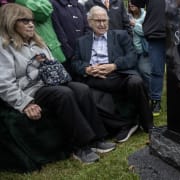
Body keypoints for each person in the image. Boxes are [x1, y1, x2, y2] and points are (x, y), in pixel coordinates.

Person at [0, 3, 116, 164]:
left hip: (50, 84)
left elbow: (53, 65)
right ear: (11, 22)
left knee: (81, 88)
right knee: (64, 93)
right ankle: (80, 146)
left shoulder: (38, 42)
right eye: (24, 21)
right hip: (30, 91)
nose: (31, 24)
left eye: (31, 20)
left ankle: (97, 138)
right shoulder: (4, 46)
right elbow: (4, 82)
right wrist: (25, 104)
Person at [71, 6, 154, 141]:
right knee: (82, 93)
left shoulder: (120, 35)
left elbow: (132, 56)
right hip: (95, 78)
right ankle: (126, 124)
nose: (102, 24)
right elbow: (75, 63)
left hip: (118, 74)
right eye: (98, 21)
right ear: (90, 22)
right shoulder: (81, 42)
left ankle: (148, 124)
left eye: (105, 20)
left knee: (136, 82)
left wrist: (114, 65)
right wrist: (87, 69)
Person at [131, 0, 166, 117]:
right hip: (156, 33)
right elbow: (136, 2)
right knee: (156, 70)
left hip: (177, 31)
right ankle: (156, 100)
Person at [50, 0, 91, 75]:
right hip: (66, 54)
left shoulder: (80, 6)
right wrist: (69, 52)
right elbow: (57, 29)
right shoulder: (53, 4)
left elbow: (87, 27)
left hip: (83, 54)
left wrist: (85, 48)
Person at [128, 1, 151, 91]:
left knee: (144, 71)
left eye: (133, 1)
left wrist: (135, 24)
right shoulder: (127, 16)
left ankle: (152, 96)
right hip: (131, 52)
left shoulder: (146, 16)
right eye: (129, 2)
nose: (130, 4)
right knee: (135, 75)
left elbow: (148, 32)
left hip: (144, 51)